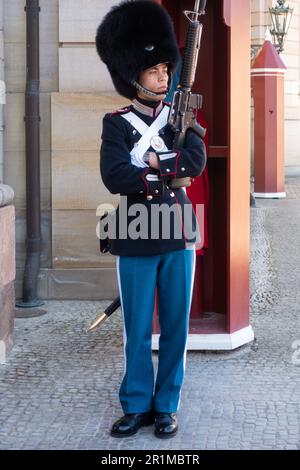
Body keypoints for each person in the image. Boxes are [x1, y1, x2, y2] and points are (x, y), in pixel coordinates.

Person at [96, 0, 206, 439]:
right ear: (133, 74)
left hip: (178, 232)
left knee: (176, 328)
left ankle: (167, 405)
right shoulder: (116, 123)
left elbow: (194, 163)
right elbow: (113, 174)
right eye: (154, 69)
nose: (163, 75)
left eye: (166, 68)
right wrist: (165, 168)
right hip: (135, 233)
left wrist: (149, 170)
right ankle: (137, 403)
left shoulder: (183, 119)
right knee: (136, 329)